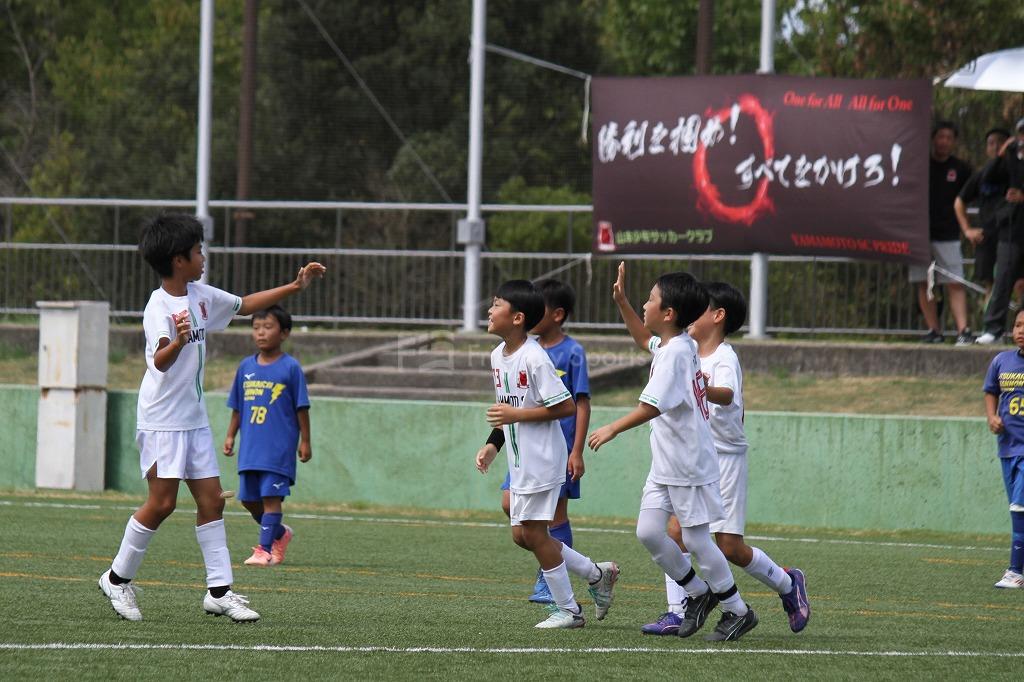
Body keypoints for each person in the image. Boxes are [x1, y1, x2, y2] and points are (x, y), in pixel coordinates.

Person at [98, 212, 325, 623]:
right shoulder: (158, 306)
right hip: (162, 420)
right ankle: (116, 579)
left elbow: (243, 304)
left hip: (194, 418)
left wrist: (295, 286)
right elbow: (160, 362)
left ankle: (219, 591)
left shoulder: (200, 295)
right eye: (198, 250)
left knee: (211, 503)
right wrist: (180, 341)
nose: (204, 256)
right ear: (178, 259)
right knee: (162, 503)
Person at [612, 272, 809, 635]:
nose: (695, 315)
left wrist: (703, 387)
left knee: (725, 544)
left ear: (716, 316)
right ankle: (686, 604)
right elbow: (646, 339)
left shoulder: (720, 358)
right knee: (667, 534)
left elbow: (727, 395)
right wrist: (623, 303)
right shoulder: (682, 346)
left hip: (718, 456)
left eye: (702, 309)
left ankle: (781, 585)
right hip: (680, 458)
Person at [588, 266, 757, 642]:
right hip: (667, 463)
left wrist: (612, 427)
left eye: (650, 300)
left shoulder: (679, 352)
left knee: (697, 541)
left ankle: (738, 610)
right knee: (649, 531)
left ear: (668, 314)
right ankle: (697, 593)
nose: (645, 306)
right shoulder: (672, 345)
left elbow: (651, 406)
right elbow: (640, 338)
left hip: (688, 464)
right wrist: (623, 302)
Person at [475, 280, 618, 629]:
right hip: (521, 460)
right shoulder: (498, 356)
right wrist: (493, 444)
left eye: (497, 305)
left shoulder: (535, 357)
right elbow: (509, 407)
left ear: (518, 317)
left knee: (536, 534)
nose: (490, 311)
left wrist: (516, 417)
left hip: (543, 460)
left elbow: (567, 406)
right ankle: (597, 573)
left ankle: (569, 610)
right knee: (522, 535)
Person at [223, 305, 311, 567]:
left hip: (278, 448)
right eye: (256, 327)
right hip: (251, 448)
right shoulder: (245, 367)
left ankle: (264, 550)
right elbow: (238, 406)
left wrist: (305, 440)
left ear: (284, 333)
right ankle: (280, 534)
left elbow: (301, 407)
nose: (261, 333)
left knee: (271, 499)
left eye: (268, 327)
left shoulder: (291, 368)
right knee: (250, 500)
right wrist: (230, 436)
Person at [910, 121, 973, 345]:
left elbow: (972, 194)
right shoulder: (920, 165)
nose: (943, 141)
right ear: (933, 138)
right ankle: (933, 329)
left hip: (948, 234)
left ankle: (963, 330)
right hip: (919, 234)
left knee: (954, 282)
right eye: (940, 137)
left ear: (953, 141)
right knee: (924, 283)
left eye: (948, 137)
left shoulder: (962, 169)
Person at [982, 306, 1024, 589]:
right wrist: (992, 417)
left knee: (1019, 507)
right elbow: (990, 391)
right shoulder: (1002, 361)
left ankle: (1014, 571)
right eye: (1019, 325)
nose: (1021, 330)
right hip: (1007, 448)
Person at [977, 119, 1024, 344]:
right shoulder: (1010, 159)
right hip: (1011, 229)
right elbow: (987, 177)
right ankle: (993, 329)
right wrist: (1002, 154)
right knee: (1003, 278)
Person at [955, 127, 1011, 311]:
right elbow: (959, 202)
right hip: (987, 236)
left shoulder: (1016, 172)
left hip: (1013, 235)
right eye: (991, 143)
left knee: (1017, 283)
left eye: (1000, 142)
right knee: (991, 285)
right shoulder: (981, 175)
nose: (996, 147)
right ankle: (991, 331)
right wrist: (967, 230)